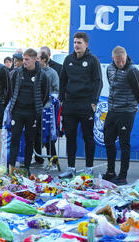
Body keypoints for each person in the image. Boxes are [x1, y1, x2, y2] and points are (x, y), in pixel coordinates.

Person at [58, 32, 103, 178]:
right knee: (70, 136)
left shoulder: (92, 60)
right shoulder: (68, 59)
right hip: (70, 104)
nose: (76, 45)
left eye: (79, 43)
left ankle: (88, 168)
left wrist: (93, 102)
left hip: (85, 104)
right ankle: (71, 168)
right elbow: (63, 80)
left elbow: (98, 82)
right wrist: (61, 98)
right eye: (75, 42)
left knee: (88, 137)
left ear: (86, 44)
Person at [102, 46, 139, 185]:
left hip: (127, 112)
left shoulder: (132, 71)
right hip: (112, 110)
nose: (120, 63)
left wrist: (131, 105)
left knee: (124, 143)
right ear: (112, 58)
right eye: (117, 61)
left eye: (122, 60)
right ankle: (110, 172)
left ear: (126, 57)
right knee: (108, 140)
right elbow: (112, 85)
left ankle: (122, 175)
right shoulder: (109, 68)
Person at [8, 48, 49, 176]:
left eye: (26, 59)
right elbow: (10, 90)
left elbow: (45, 95)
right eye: (23, 59)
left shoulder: (42, 75)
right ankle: (11, 168)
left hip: (32, 113)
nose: (23, 62)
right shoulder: (17, 73)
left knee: (29, 140)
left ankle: (26, 167)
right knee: (15, 139)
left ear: (34, 59)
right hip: (18, 112)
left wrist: (37, 107)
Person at [33, 50, 60, 168]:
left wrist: (49, 99)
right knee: (35, 134)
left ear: (44, 60)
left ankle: (53, 161)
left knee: (49, 136)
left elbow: (56, 90)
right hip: (35, 108)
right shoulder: (34, 72)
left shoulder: (52, 73)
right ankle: (38, 160)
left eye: (37, 58)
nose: (35, 60)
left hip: (47, 109)